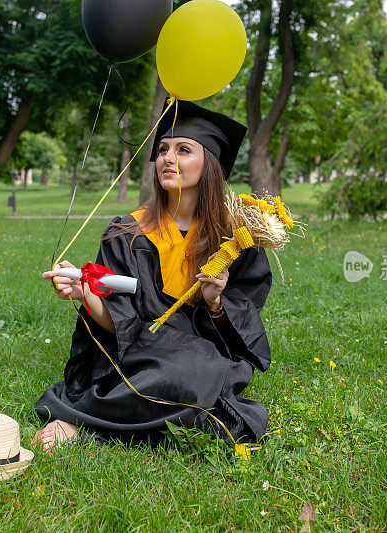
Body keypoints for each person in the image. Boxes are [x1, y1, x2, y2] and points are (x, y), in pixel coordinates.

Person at [34, 101, 272, 451]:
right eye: (163, 149)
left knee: (199, 368)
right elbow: (119, 324)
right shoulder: (128, 232)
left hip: (204, 352)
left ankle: (96, 422)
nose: (167, 158)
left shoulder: (236, 239)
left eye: (183, 149)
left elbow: (243, 332)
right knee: (182, 379)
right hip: (138, 352)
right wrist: (88, 295)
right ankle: (83, 418)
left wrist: (215, 302)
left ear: (210, 164)